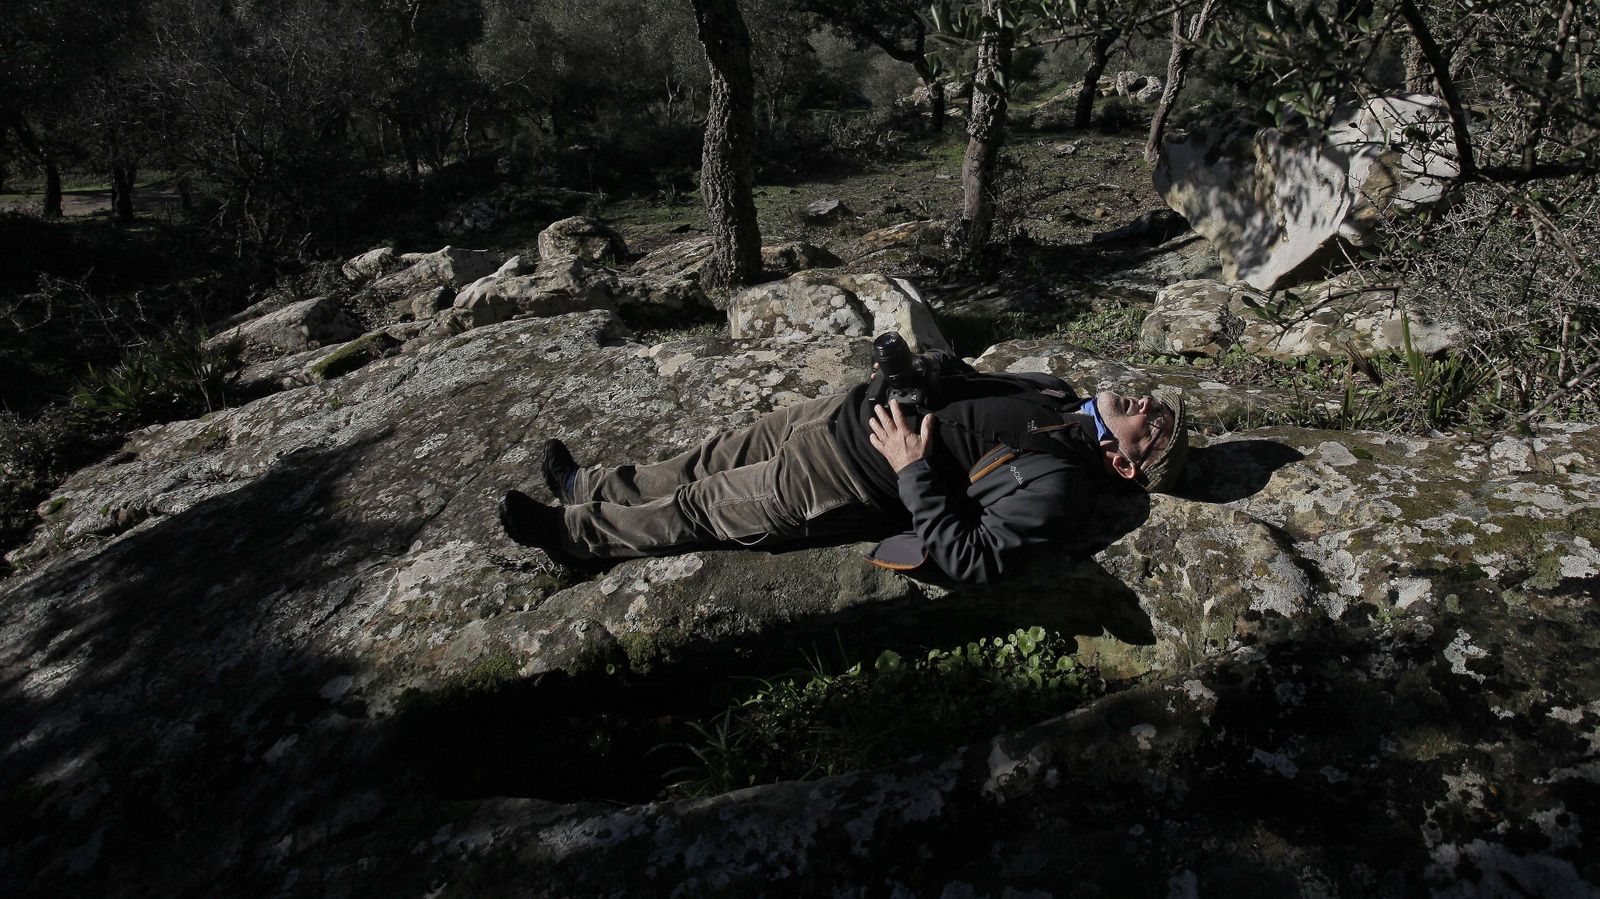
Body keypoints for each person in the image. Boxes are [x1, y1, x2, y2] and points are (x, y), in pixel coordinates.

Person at [499, 347, 1188, 586]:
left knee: (700, 507)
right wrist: (923, 371)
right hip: (836, 414)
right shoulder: (1058, 393)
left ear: (1125, 464)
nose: (1149, 404)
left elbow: (972, 558)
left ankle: (572, 536)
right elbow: (970, 383)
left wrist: (912, 468)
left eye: (1154, 426)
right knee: (703, 459)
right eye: (1158, 405)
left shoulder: (1060, 483)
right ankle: (586, 486)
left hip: (839, 480)